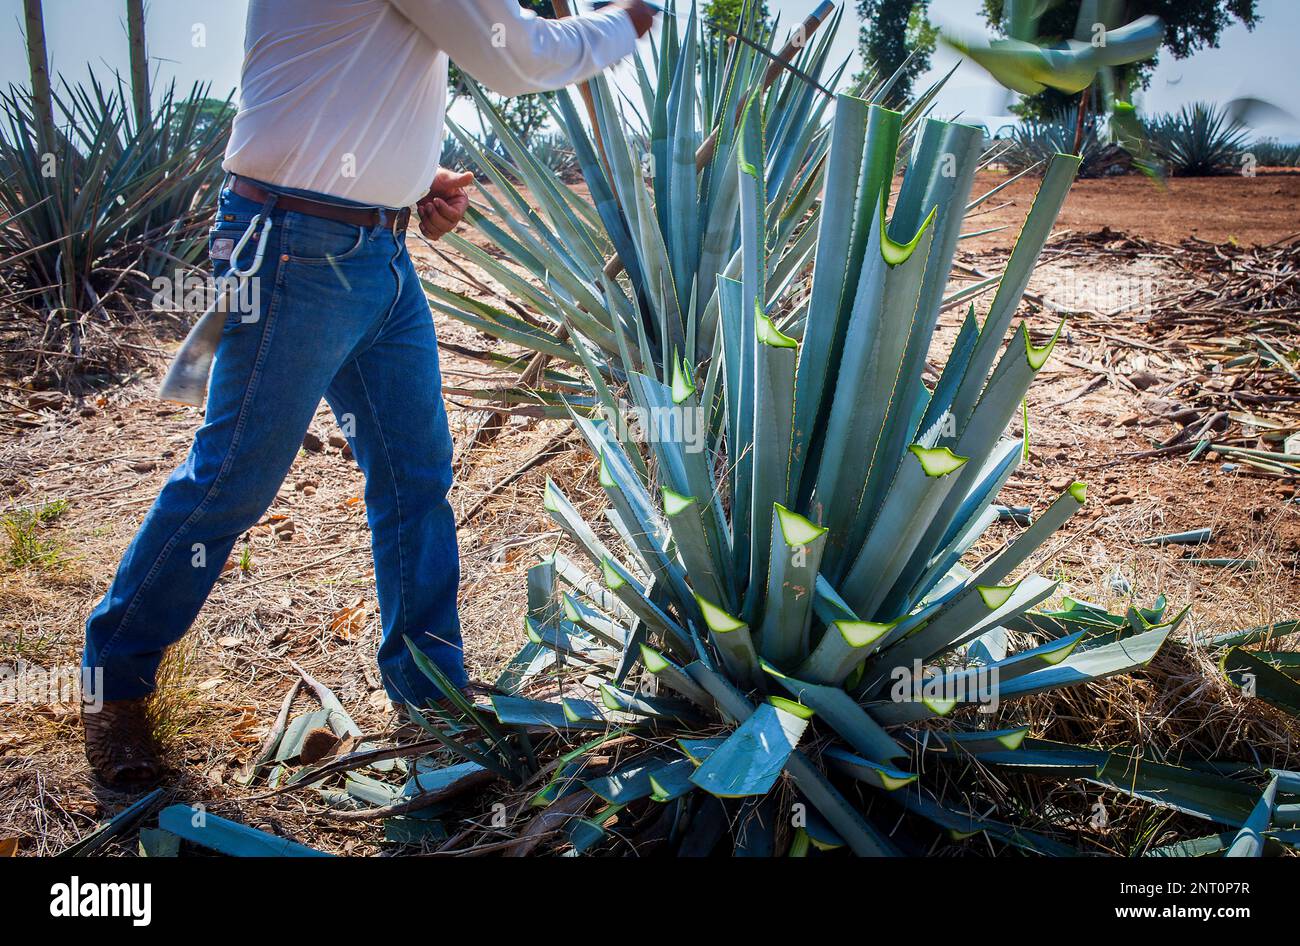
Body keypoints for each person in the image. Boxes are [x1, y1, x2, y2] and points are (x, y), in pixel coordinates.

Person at [82, 0, 658, 789]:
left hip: (376, 249)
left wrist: (412, 179)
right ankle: (110, 684)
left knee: (415, 475)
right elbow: (515, 55)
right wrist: (626, 23)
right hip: (294, 249)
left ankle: (431, 698)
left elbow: (341, 75)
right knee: (232, 477)